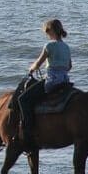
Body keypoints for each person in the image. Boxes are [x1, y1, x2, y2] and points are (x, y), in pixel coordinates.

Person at [10, 19, 72, 151]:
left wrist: (31, 69)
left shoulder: (49, 46)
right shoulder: (66, 47)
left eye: (46, 32)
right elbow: (69, 66)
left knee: (23, 99)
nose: (46, 35)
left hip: (52, 80)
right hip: (64, 80)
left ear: (51, 31)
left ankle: (27, 132)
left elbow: (38, 63)